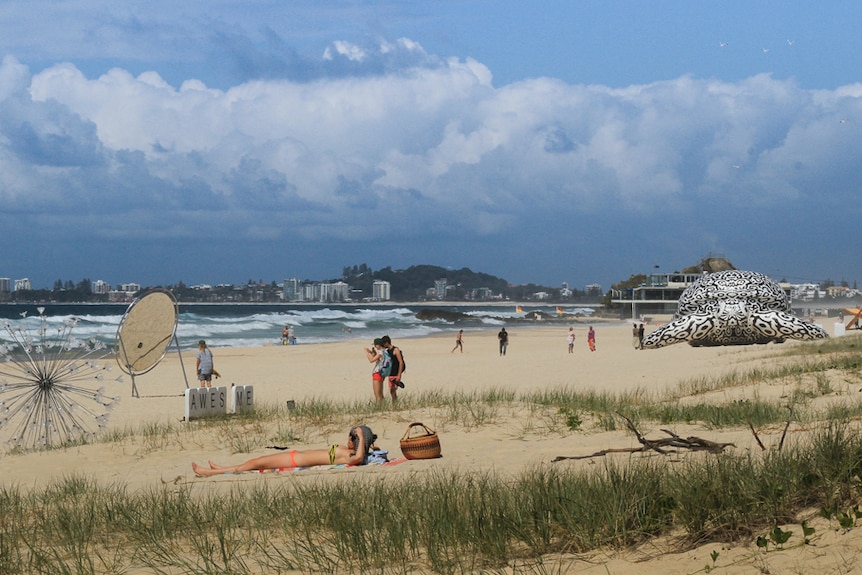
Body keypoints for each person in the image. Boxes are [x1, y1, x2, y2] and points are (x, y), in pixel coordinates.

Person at [192, 426, 378, 477]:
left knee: (253, 464)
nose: (348, 439)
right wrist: (368, 443)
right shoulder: (349, 450)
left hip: (293, 461)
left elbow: (360, 457)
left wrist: (362, 437)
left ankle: (210, 472)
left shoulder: (352, 456)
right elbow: (365, 452)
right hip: (295, 456)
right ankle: (221, 467)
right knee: (254, 462)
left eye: (352, 437)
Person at [381, 335, 405, 401]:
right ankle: (395, 403)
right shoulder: (387, 351)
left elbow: (401, 362)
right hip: (391, 373)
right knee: (392, 391)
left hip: (396, 373)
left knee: (392, 390)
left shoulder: (395, 350)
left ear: (387, 342)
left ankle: (395, 404)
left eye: (383, 343)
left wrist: (399, 375)